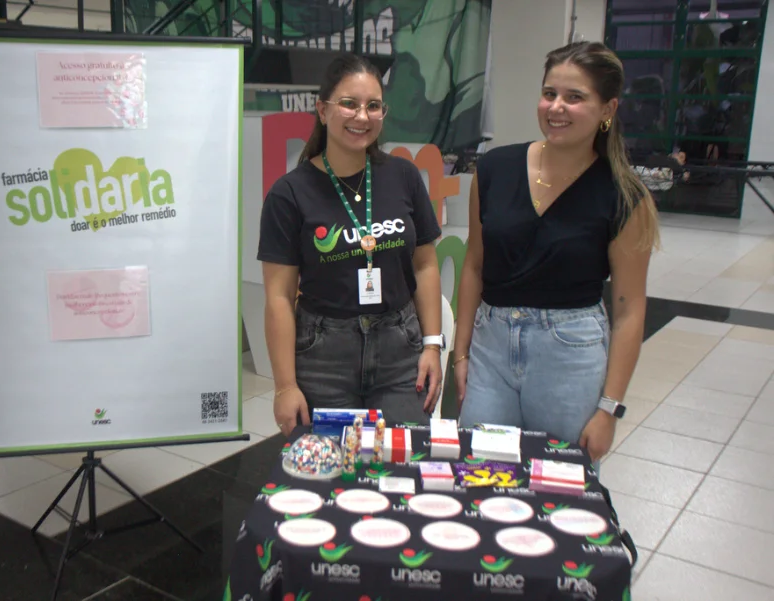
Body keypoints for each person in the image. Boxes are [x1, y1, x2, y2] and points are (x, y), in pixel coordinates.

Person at [453, 41, 660, 464]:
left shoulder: (624, 195)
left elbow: (629, 308)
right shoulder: (495, 169)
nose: (556, 107)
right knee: (478, 475)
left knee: (560, 484)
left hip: (570, 353)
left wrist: (609, 409)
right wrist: (461, 351)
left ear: (608, 109)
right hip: (491, 348)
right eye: (549, 94)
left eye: (575, 97)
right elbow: (474, 265)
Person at [258, 53, 444, 438]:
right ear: (323, 111)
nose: (362, 116)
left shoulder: (403, 176)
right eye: (349, 104)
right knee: (329, 475)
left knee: (403, 466)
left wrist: (431, 345)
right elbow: (279, 296)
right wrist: (285, 386)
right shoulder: (289, 194)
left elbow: (425, 264)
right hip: (324, 357)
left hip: (400, 351)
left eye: (373, 106)